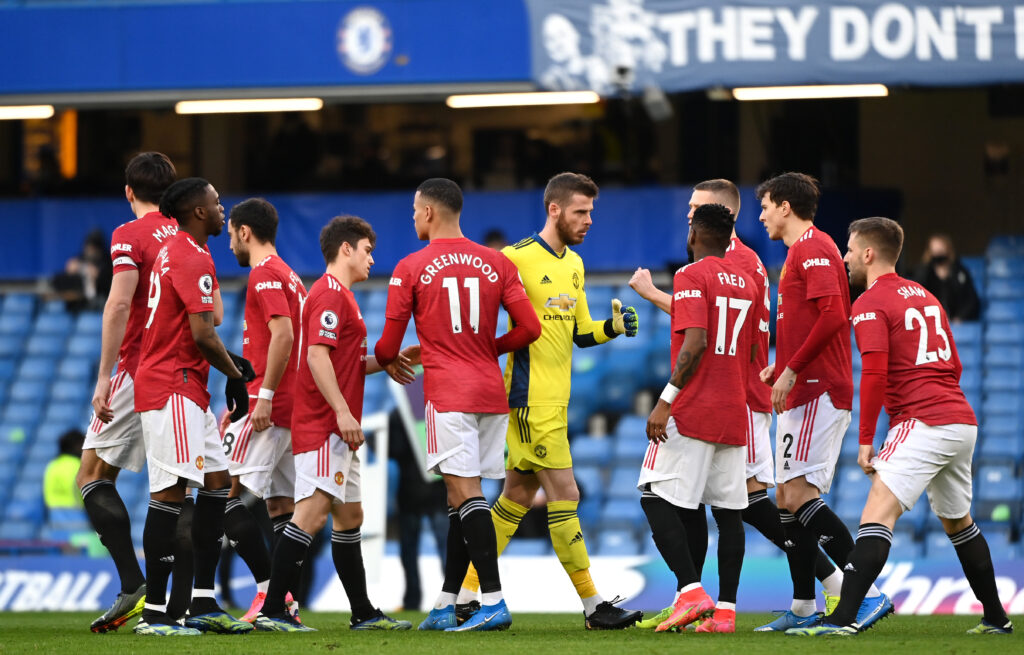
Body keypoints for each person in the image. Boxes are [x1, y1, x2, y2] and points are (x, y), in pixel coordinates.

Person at [628, 180, 844, 628]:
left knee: (746, 503)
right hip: (737, 394)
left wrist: (652, 296)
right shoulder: (746, 269)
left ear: (714, 213)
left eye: (694, 207)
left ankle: (831, 578)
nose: (687, 214)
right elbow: (744, 336)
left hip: (732, 396)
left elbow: (701, 330)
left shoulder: (735, 260)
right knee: (726, 504)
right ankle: (713, 603)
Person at [790, 218, 1012, 636]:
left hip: (923, 420)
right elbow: (956, 365)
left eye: (850, 251)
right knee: (959, 523)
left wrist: (866, 441)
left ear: (869, 254)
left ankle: (843, 619)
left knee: (877, 513)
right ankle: (997, 618)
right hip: (961, 420)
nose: (845, 258)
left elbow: (873, 373)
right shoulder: (926, 296)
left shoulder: (870, 302)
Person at [456, 172, 642, 630]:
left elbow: (580, 332)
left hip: (554, 401)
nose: (588, 220)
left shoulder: (575, 265)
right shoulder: (512, 260)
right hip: (527, 399)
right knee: (566, 494)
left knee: (515, 499)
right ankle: (594, 606)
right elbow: (479, 319)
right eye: (581, 211)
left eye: (592, 212)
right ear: (554, 210)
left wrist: (612, 328)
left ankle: (463, 595)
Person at [375, 178, 541, 632]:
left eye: (414, 210)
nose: (412, 218)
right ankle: (447, 602)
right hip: (490, 392)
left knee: (467, 496)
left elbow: (388, 348)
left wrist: (395, 359)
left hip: (448, 394)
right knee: (458, 500)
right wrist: (489, 348)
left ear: (429, 212)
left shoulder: (410, 267)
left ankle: (493, 600)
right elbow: (529, 329)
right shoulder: (496, 263)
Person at [255, 215, 416, 633]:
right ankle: (273, 611)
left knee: (351, 516)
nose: (371, 259)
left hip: (335, 427)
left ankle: (362, 612)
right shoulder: (329, 295)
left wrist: (388, 360)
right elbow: (316, 357)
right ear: (346, 249)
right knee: (310, 515)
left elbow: (344, 363)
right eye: (367, 250)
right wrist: (343, 412)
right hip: (325, 425)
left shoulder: (340, 296)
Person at [755, 172, 891, 632]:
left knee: (797, 495)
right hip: (802, 385)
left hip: (817, 388)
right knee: (785, 498)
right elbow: (812, 320)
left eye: (767, 205)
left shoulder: (813, 248)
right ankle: (802, 605)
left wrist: (793, 368)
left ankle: (867, 594)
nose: (762, 215)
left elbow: (836, 314)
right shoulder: (804, 250)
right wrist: (784, 364)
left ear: (786, 207)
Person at [133, 177, 254, 636]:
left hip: (189, 386)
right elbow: (204, 333)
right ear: (198, 211)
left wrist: (227, 369)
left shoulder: (181, 251)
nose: (223, 208)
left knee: (218, 485)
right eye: (217, 202)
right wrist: (236, 374)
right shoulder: (190, 254)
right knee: (169, 494)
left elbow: (203, 332)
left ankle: (201, 601)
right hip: (172, 385)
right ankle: (156, 613)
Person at [636, 203, 758, 633]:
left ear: (694, 234)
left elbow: (696, 341)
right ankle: (725, 612)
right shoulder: (748, 281)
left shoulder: (691, 276)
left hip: (693, 408)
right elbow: (753, 349)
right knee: (728, 513)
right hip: (733, 409)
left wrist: (666, 399)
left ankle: (690, 592)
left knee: (652, 494)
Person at [76, 152, 178, 633]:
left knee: (92, 474)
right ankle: (191, 598)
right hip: (182, 373)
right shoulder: (185, 236)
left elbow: (118, 303)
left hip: (138, 366)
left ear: (129, 192)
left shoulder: (128, 235)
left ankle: (134, 584)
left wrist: (103, 377)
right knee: (180, 487)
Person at [222, 198, 307, 622]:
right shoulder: (293, 277)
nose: (229, 246)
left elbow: (284, 334)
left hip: (270, 406)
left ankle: (267, 593)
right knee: (280, 508)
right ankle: (283, 606)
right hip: (291, 407)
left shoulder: (265, 275)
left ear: (244, 231)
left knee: (224, 497)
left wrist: (265, 395)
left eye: (230, 235)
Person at [912, 234, 980, 322]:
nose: (938, 255)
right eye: (935, 251)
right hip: (931, 321)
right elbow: (917, 298)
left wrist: (960, 317)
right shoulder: (923, 272)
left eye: (940, 250)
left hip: (957, 323)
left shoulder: (959, 271)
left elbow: (971, 300)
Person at [45, 429, 86, 512]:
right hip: (78, 517)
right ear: (77, 446)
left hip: (54, 518)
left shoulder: (52, 466)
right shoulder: (78, 466)